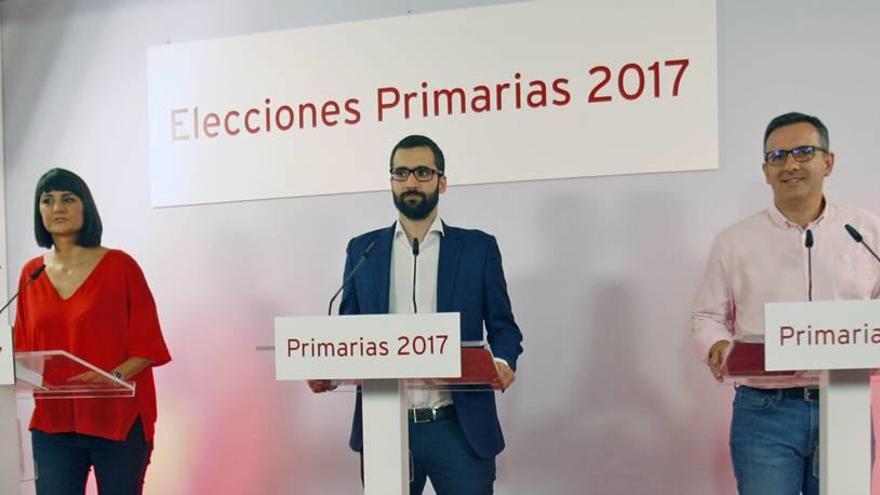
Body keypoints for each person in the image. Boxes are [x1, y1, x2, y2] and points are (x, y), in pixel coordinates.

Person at [309, 135, 523, 494]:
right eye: (401, 173)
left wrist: (502, 361)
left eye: (422, 172)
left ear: (442, 181)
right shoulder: (364, 250)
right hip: (384, 426)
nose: (411, 182)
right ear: (391, 181)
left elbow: (504, 328)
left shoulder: (478, 248)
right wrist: (328, 375)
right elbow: (348, 337)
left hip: (459, 426)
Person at [691, 112, 880, 494]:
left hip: (845, 403)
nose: (790, 164)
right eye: (778, 157)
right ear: (765, 171)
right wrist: (717, 345)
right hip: (765, 411)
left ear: (828, 162)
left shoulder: (865, 232)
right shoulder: (735, 241)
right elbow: (707, 315)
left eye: (804, 152)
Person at [13, 168, 171, 495]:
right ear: (38, 210)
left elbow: (148, 344)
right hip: (54, 425)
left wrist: (110, 376)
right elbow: (24, 353)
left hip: (117, 420)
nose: (57, 208)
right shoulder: (32, 273)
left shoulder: (120, 266)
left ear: (86, 207)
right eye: (47, 200)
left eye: (68, 199)